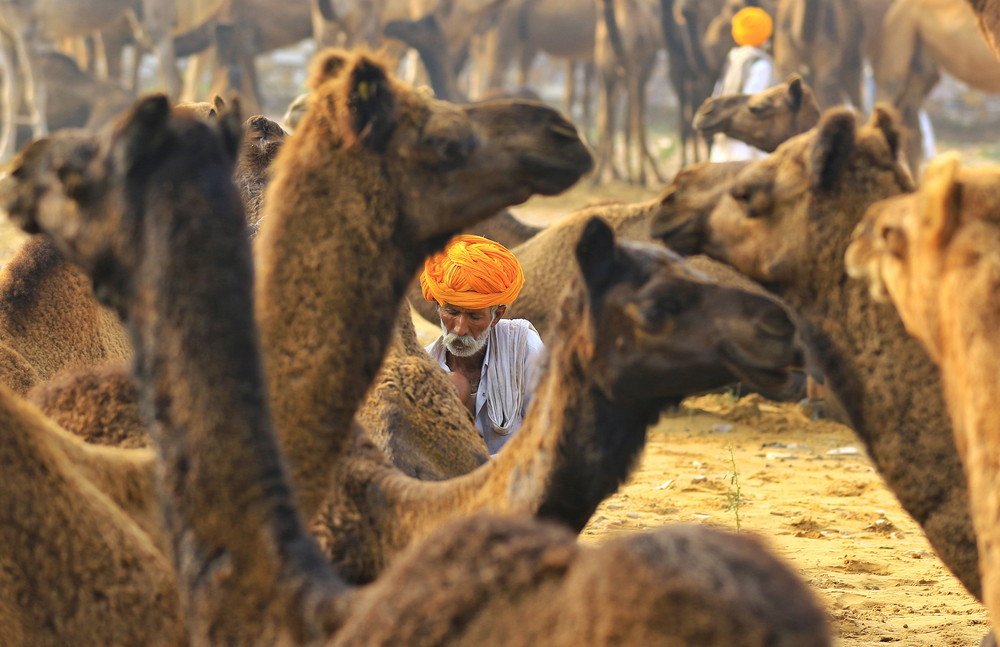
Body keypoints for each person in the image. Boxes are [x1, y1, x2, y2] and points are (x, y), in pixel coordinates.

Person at [420, 234, 545, 455]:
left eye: (474, 317)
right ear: (439, 309)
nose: (459, 329)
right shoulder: (426, 366)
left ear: (497, 315)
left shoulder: (524, 347)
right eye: (452, 312)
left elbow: (550, 435)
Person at [709, 6, 778, 162]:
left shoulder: (734, 58)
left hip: (724, 129)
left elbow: (718, 92)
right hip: (745, 138)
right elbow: (750, 102)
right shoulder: (762, 64)